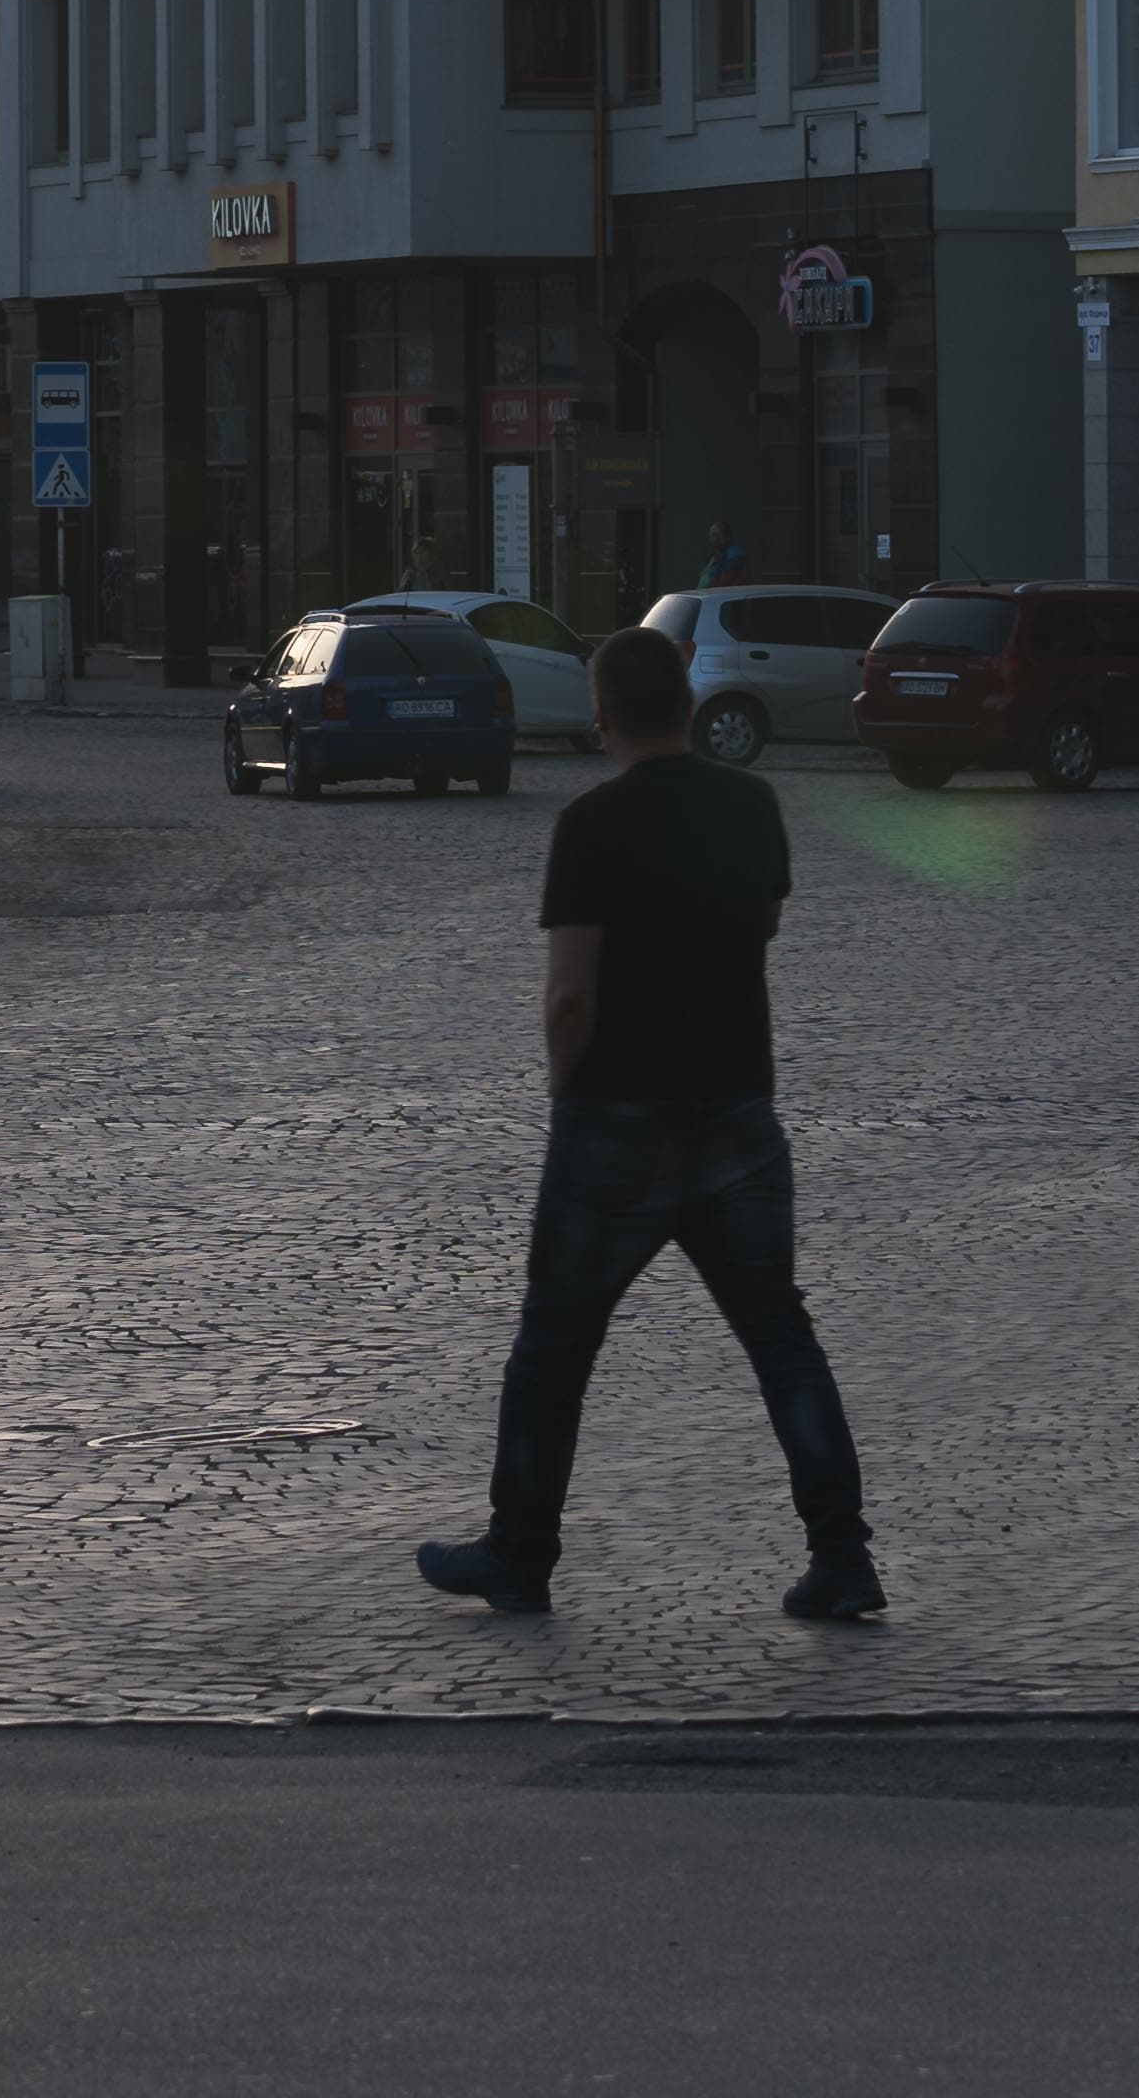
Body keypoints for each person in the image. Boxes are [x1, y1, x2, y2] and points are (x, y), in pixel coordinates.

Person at [417, 622, 882, 1625]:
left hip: (617, 1115)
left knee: (555, 1346)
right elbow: (761, 924)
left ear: (601, 717)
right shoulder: (753, 804)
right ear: (684, 702)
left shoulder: (592, 825)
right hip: (737, 1109)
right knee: (781, 1340)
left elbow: (570, 993)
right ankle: (842, 1556)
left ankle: (520, 1552)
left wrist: (562, 1086)